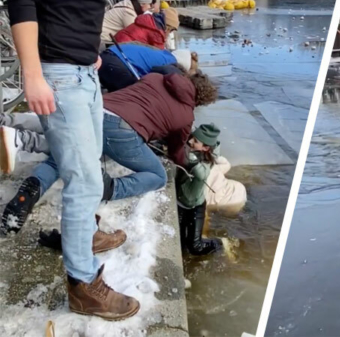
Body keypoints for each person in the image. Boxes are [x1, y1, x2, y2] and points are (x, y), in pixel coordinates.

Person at [6, 0, 139, 320]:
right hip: (60, 75)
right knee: (84, 179)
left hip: (84, 72)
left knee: (90, 163)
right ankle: (83, 286)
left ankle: (84, 236)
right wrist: (33, 73)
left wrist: (87, 49)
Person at [1, 71, 217, 235]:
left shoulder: (154, 77)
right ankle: (110, 187)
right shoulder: (186, 116)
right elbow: (176, 152)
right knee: (158, 175)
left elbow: (143, 105)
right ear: (199, 100)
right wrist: (188, 164)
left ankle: (24, 198)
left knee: (62, 157)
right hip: (120, 131)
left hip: (94, 113)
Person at [177, 124, 230, 255]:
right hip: (180, 204)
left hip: (195, 206)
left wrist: (191, 158)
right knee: (182, 243)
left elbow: (202, 174)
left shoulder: (206, 161)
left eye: (195, 141)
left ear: (206, 148)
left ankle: (220, 243)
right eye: (192, 138)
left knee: (196, 247)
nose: (190, 142)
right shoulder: (193, 150)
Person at [99, 42, 198, 92]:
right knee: (132, 95)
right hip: (118, 63)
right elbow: (159, 70)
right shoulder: (170, 64)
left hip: (108, 55)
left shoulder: (162, 53)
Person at [114, 8, 179, 49]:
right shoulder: (157, 32)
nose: (170, 32)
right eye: (171, 30)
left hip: (118, 41)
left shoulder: (150, 21)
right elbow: (159, 52)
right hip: (124, 48)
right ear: (168, 27)